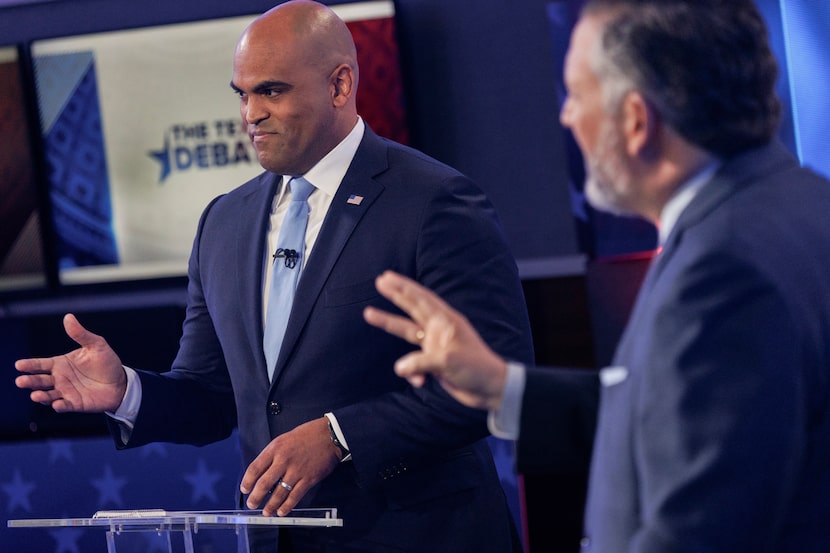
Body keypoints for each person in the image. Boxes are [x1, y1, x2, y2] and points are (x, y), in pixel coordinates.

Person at [15, 1, 534, 551]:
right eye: (242, 94)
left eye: (271, 91)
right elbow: (214, 395)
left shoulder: (434, 203)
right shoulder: (223, 222)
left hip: (421, 535)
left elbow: (498, 382)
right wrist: (128, 392)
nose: (250, 113)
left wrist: (340, 438)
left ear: (339, 85)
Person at [364, 0, 830, 551]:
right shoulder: (800, 202)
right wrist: (502, 386)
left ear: (636, 121)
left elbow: (698, 532)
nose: (566, 116)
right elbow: (685, 417)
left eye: (576, 95)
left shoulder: (720, 269)